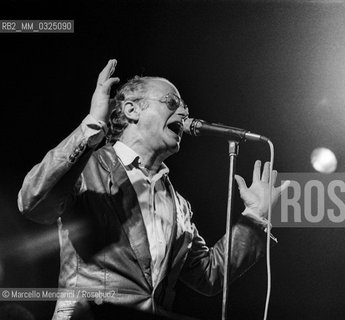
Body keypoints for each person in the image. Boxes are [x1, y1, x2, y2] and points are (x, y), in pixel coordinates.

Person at [18, 59, 288, 320]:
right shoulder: (90, 166)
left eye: (185, 106)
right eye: (172, 102)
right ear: (132, 110)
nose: (184, 113)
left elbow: (207, 276)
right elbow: (32, 201)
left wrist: (253, 217)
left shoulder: (178, 204)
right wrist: (90, 128)